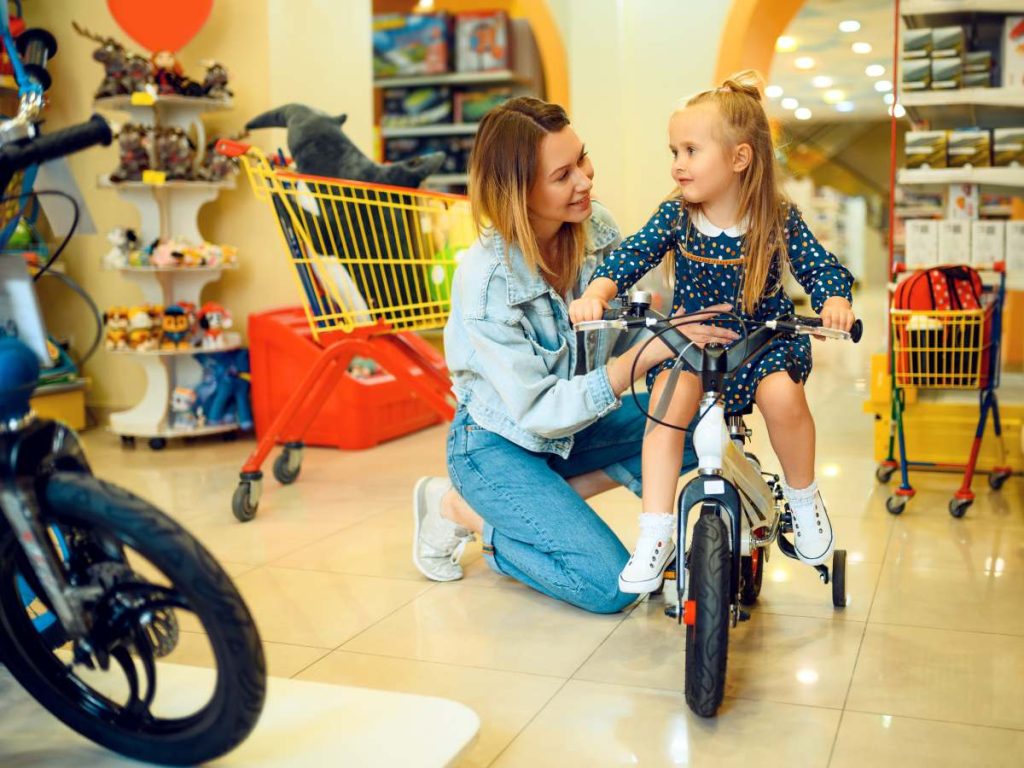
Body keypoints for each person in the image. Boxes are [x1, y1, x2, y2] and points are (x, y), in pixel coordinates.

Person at [412, 96, 738, 613]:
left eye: (581, 159)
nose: (585, 180)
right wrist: (641, 359)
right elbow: (540, 412)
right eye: (563, 175)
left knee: (700, 427)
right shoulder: (486, 283)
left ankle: (550, 498)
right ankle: (460, 509)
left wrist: (683, 321)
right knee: (610, 586)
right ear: (518, 193)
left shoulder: (598, 228)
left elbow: (634, 325)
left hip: (578, 429)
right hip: (498, 444)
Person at [570, 71, 856, 594]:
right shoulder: (676, 216)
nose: (677, 163)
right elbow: (632, 254)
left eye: (691, 150)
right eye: (673, 150)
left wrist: (834, 301)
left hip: (761, 342)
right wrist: (601, 292)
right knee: (664, 409)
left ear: (739, 159)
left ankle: (803, 496)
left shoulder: (777, 217)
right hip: (692, 343)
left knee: (784, 399)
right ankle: (655, 532)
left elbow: (820, 268)